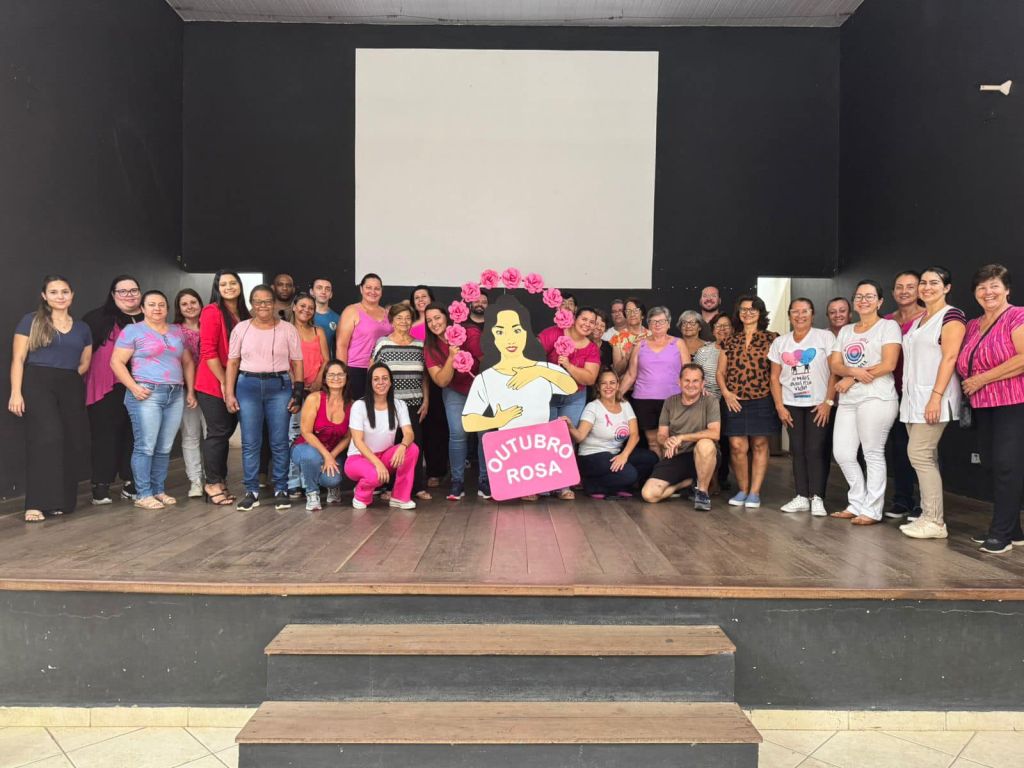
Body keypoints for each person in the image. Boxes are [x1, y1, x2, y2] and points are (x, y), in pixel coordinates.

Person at [9, 275, 92, 522]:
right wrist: (16, 392)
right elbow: (18, 359)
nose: (60, 296)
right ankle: (35, 503)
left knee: (69, 441)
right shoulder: (31, 321)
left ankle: (60, 502)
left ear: (72, 295)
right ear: (44, 296)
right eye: (54, 292)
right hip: (38, 382)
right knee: (47, 439)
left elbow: (85, 362)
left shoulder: (82, 328)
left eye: (64, 291)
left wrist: (66, 379)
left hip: (70, 384)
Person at [957, 264, 1024, 554]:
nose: (988, 292)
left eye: (994, 286)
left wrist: (982, 379)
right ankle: (1014, 530)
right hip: (982, 405)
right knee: (991, 464)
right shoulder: (973, 324)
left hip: (1013, 402)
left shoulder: (1017, 316)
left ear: (1007, 289)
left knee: (1007, 466)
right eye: (982, 287)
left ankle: (1001, 535)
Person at [110, 290, 197, 510]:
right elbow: (116, 362)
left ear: (167, 308)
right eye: (151, 304)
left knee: (164, 447)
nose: (157, 308)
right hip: (146, 393)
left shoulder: (177, 331)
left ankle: (158, 490)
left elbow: (187, 362)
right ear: (142, 308)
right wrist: (133, 387)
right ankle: (143, 494)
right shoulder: (133, 330)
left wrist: (190, 391)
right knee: (145, 446)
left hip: (175, 393)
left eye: (161, 304)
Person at [898, 267, 966, 540]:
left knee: (919, 454)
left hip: (935, 398)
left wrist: (935, 397)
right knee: (926, 457)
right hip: (913, 399)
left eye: (934, 283)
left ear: (946, 287)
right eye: (923, 283)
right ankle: (928, 515)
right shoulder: (920, 320)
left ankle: (935, 521)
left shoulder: (952, 316)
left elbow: (950, 358)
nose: (927, 287)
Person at [225, 284, 304, 511]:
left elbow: (297, 362)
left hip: (279, 386)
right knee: (250, 442)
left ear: (274, 304)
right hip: (247, 386)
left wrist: (298, 393)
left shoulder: (288, 329)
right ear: (251, 304)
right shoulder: (241, 329)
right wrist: (229, 393)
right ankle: (251, 491)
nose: (263, 306)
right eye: (258, 301)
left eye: (267, 301)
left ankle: (281, 488)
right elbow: (233, 362)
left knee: (279, 441)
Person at [829, 280, 902, 525]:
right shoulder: (847, 331)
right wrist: (852, 373)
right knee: (842, 453)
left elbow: (889, 364)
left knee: (872, 452)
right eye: (859, 296)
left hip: (877, 397)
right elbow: (835, 364)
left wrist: (852, 377)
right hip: (849, 400)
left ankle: (872, 509)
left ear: (880, 301)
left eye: (870, 296)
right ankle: (857, 502)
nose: (863, 300)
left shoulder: (888, 326)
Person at [463, 295, 578, 432]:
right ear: (492, 336)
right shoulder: (485, 378)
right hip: (506, 443)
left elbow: (571, 387)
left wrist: (538, 371)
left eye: (516, 330)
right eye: (500, 332)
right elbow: (467, 421)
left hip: (540, 440)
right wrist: (496, 421)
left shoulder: (544, 368)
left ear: (526, 333)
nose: (510, 339)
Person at [769, 298, 837, 517]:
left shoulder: (825, 337)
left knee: (815, 449)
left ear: (812, 314)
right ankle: (801, 496)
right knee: (797, 450)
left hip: (818, 404)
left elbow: (834, 372)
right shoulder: (780, 342)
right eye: (795, 311)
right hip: (791, 405)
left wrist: (828, 402)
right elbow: (774, 377)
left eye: (804, 311)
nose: (800, 315)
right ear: (789, 315)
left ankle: (817, 497)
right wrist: (779, 406)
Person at [83, 275, 144, 504]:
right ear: (113, 294)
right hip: (107, 387)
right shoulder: (96, 319)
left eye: (133, 290)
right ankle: (101, 484)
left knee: (135, 435)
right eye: (122, 291)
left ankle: (131, 482)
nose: (129, 295)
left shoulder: (149, 316)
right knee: (105, 436)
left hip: (141, 386)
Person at [717, 295, 780, 509]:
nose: (748, 313)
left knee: (760, 445)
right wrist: (726, 393)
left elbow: (776, 373)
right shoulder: (729, 340)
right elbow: (720, 372)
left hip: (763, 399)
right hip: (734, 400)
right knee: (737, 446)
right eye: (743, 309)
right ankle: (743, 489)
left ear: (760, 313)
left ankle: (755, 492)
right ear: (738, 313)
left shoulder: (773, 338)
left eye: (753, 309)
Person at [423, 303, 489, 500]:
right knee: (458, 433)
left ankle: (485, 480)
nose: (434, 323)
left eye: (437, 317)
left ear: (447, 317)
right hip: (454, 391)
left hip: (481, 390)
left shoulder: (469, 332)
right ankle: (457, 482)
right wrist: (452, 357)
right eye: (429, 320)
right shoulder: (431, 347)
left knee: (484, 434)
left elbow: (488, 360)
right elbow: (441, 381)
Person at [195, 270, 249, 506]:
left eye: (233, 282)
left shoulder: (244, 313)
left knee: (225, 432)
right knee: (218, 433)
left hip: (235, 380)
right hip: (213, 381)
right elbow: (208, 351)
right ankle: (212, 483)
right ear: (217, 288)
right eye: (223, 284)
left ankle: (221, 481)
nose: (229, 287)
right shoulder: (211, 311)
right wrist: (225, 383)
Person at [565, 368, 657, 499]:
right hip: (592, 457)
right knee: (630, 474)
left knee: (650, 459)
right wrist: (570, 426)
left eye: (612, 383)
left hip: (615, 454)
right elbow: (580, 437)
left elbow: (635, 435)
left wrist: (624, 455)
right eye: (604, 383)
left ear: (618, 385)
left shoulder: (625, 405)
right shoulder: (593, 407)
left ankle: (616, 487)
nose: (608, 386)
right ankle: (592, 485)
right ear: (598, 387)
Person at [538, 306, 601, 500]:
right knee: (544, 439)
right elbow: (532, 357)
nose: (587, 324)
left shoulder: (591, 348)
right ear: (574, 318)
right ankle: (540, 486)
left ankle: (563, 486)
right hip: (547, 396)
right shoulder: (553, 333)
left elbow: (590, 378)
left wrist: (568, 365)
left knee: (566, 439)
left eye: (592, 322)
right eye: (584, 319)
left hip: (574, 396)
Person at [371, 302, 431, 500]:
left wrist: (426, 400)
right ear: (392, 321)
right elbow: (373, 372)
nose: (404, 322)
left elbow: (424, 376)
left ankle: (417, 487)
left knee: (415, 445)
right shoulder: (383, 343)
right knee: (391, 447)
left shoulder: (419, 345)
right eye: (399, 318)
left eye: (407, 318)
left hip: (414, 404)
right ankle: (390, 488)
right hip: (389, 405)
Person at [640, 364, 721, 511]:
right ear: (679, 382)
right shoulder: (670, 402)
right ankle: (689, 483)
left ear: (703, 383)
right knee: (649, 494)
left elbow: (715, 433)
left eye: (695, 381)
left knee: (705, 444)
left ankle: (702, 493)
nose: (691, 385)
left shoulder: (710, 401)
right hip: (678, 455)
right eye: (687, 380)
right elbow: (661, 435)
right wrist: (667, 441)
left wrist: (682, 437)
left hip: (704, 456)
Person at [344, 362, 419, 510]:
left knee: (412, 449)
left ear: (390, 382)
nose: (381, 382)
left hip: (384, 456)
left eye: (385, 378)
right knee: (375, 475)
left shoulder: (399, 405)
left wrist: (403, 446)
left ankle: (399, 497)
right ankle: (361, 494)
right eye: (376, 379)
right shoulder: (359, 406)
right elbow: (358, 441)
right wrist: (377, 464)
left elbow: (409, 433)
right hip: (358, 458)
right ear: (370, 383)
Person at [618, 307, 691, 456]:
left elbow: (688, 372)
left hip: (673, 400)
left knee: (670, 441)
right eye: (653, 321)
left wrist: (693, 395)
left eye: (661, 321)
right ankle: (657, 469)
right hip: (644, 400)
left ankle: (669, 470)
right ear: (648, 324)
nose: (657, 325)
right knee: (652, 442)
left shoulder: (678, 343)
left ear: (668, 324)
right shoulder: (640, 345)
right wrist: (616, 395)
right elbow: (631, 374)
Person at [884, 270, 927, 520]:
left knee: (923, 450)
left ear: (919, 290)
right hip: (892, 391)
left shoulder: (929, 318)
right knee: (899, 447)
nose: (904, 291)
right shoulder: (886, 321)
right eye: (899, 287)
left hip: (920, 392)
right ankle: (902, 499)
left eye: (910, 286)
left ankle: (925, 503)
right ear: (892, 292)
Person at [291, 360, 352, 511]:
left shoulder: (352, 404)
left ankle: (332, 487)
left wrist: (332, 456)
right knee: (311, 457)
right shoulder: (315, 398)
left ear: (346, 378)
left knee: (333, 480)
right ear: (325, 379)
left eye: (340, 374)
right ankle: (312, 492)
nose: (336, 378)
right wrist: (326, 456)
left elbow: (348, 437)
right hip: (306, 447)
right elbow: (306, 432)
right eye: (331, 375)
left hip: (333, 450)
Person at [286, 293, 331, 496]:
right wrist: (296, 383)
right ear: (294, 307)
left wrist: (319, 381)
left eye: (310, 307)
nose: (306, 310)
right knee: (293, 435)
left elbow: (326, 359)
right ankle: (293, 480)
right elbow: (283, 359)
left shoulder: (318, 331)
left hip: (315, 390)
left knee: (311, 435)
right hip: (292, 389)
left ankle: (309, 480)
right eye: (302, 306)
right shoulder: (285, 330)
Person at [336, 273, 390, 399]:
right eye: (368, 287)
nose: (373, 292)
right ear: (361, 289)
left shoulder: (387, 313)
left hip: (382, 371)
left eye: (377, 288)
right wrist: (342, 374)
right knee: (357, 407)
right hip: (356, 370)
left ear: (381, 291)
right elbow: (341, 345)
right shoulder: (351, 311)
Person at [174, 288, 206, 498]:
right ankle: (195, 481)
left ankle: (214, 478)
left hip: (211, 388)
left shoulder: (210, 326)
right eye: (184, 304)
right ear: (179, 308)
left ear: (200, 303)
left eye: (193, 302)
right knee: (190, 435)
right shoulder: (174, 331)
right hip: (186, 391)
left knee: (212, 435)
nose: (190, 307)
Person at [678, 310, 718, 392]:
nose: (688, 326)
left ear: (699, 327)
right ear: (680, 327)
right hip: (677, 391)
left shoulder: (710, 347)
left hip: (706, 393)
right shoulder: (673, 347)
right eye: (684, 323)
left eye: (692, 323)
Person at [610, 297, 648, 376]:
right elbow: (617, 371)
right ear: (625, 315)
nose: (632, 314)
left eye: (636, 311)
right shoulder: (617, 337)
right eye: (628, 311)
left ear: (642, 315)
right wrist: (627, 357)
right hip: (625, 383)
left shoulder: (651, 335)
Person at [311, 278, 340, 353]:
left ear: (331, 294)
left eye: (327, 289)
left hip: (326, 360)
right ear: (312, 292)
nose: (323, 292)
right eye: (319, 288)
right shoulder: (304, 315)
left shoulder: (337, 318)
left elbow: (341, 346)